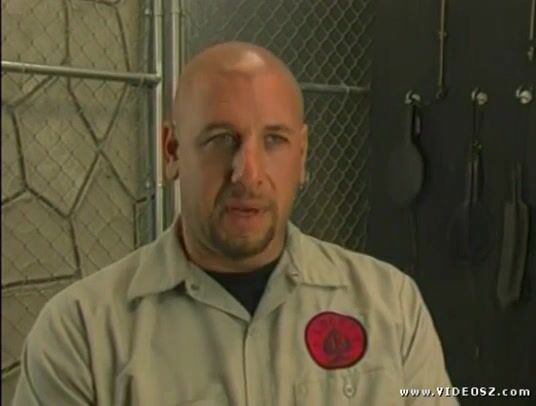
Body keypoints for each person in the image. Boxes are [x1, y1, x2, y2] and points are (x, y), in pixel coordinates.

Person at [12, 41, 458, 405]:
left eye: (274, 140)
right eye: (222, 139)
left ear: (302, 156)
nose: (248, 173)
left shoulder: (392, 307)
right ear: (171, 151)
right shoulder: (81, 335)